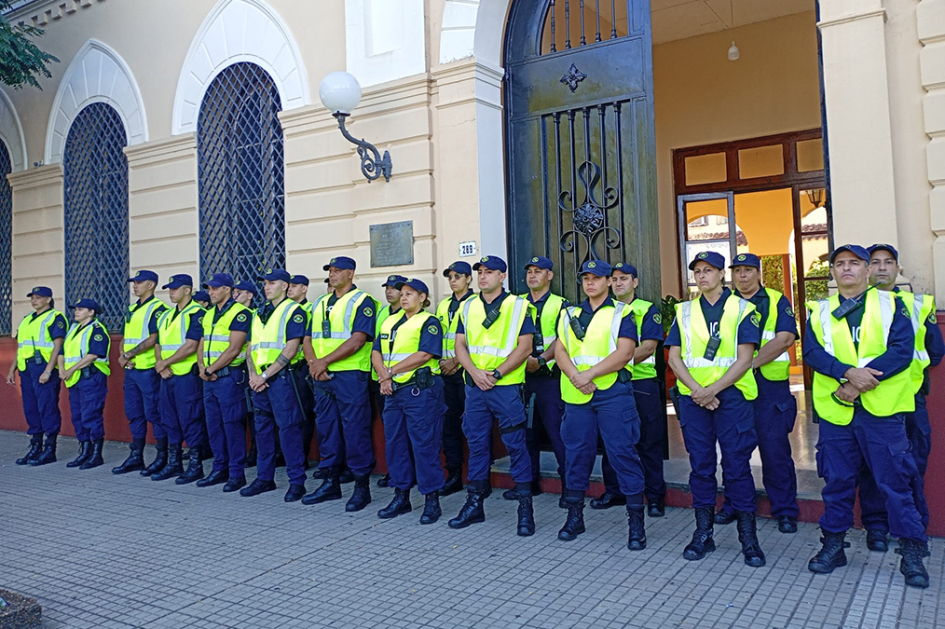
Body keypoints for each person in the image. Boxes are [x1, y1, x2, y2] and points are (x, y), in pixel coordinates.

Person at [805, 244, 929, 588]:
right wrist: (847, 372)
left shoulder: (895, 305)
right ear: (832, 272)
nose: (846, 269)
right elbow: (813, 353)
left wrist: (857, 382)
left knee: (896, 483)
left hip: (883, 412)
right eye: (840, 264)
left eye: (854, 263)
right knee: (838, 481)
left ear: (867, 270)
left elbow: (902, 352)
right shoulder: (820, 310)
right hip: (837, 414)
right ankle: (833, 545)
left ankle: (912, 553)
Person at [666, 251, 765, 567]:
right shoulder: (683, 312)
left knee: (737, 466)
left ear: (722, 274)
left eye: (709, 270)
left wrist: (712, 390)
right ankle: (703, 534)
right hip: (695, 401)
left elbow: (744, 359)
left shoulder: (743, 310)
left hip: (731, 398)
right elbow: (674, 358)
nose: (702, 276)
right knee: (701, 466)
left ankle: (749, 540)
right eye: (697, 271)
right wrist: (698, 391)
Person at [856, 244, 944, 551]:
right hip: (870, 399)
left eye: (888, 262)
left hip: (911, 400)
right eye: (875, 262)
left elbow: (935, 352)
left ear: (898, 268)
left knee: (912, 464)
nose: (881, 268)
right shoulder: (854, 308)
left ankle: (911, 530)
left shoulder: (917, 305)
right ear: (867, 270)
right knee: (870, 466)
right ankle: (876, 526)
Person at [555, 260, 648, 549]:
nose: (590, 283)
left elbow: (625, 353)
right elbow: (560, 348)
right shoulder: (570, 313)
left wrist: (589, 375)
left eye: (597, 278)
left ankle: (636, 525)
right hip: (577, 395)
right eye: (586, 278)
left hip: (612, 394)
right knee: (576, 456)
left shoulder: (623, 312)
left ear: (609, 282)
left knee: (623, 454)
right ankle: (574, 517)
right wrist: (576, 377)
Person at [448, 255, 536, 536]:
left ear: (503, 276)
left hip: (506, 387)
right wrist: (474, 372)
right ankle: (475, 504)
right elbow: (459, 345)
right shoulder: (468, 305)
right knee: (476, 445)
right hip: (475, 388)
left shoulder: (519, 306)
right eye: (481, 272)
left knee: (516, 446)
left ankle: (525, 509)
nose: (483, 276)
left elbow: (525, 348)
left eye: (490, 272)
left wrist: (495, 374)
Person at [713, 253, 799, 533]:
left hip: (769, 389)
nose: (743, 276)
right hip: (734, 389)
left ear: (759, 273)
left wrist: (746, 365)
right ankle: (735, 505)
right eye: (737, 271)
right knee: (733, 451)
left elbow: (784, 339)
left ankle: (784, 510)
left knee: (775, 451)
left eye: (748, 270)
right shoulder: (724, 305)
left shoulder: (776, 300)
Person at [591, 262, 668, 516]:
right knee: (614, 441)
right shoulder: (602, 311)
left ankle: (655, 496)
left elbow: (648, 347)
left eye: (624, 278)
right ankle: (615, 491)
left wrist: (617, 360)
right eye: (614, 279)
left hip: (640, 384)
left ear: (635, 282)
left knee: (648, 441)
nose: (618, 283)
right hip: (610, 383)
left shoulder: (646, 310)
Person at [301, 257, 377, 511]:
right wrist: (314, 364)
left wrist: (323, 362)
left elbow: (357, 340)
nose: (332, 275)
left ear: (351, 273)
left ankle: (361, 487)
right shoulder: (321, 302)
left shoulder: (362, 302)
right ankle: (331, 482)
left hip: (350, 376)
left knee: (355, 431)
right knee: (327, 430)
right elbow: (308, 338)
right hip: (322, 377)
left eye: (337, 271)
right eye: (330, 271)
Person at [372, 278, 447, 523]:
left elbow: (425, 354)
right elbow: (376, 351)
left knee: (424, 446)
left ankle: (431, 500)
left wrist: (389, 372)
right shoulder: (389, 321)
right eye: (402, 293)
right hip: (392, 391)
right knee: (395, 445)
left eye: (410, 294)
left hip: (420, 392)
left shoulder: (429, 321)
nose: (403, 297)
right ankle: (401, 495)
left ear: (423, 297)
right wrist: (384, 375)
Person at [502, 256, 567, 502]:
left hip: (549, 377)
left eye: (538, 271)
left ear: (549, 275)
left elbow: (564, 338)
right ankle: (527, 484)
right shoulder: (515, 304)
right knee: (524, 432)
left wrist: (541, 360)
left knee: (557, 432)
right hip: (521, 377)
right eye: (529, 271)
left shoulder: (561, 304)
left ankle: (569, 487)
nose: (532, 276)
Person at [242, 269, 309, 501]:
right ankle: (264, 478)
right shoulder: (258, 313)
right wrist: (253, 375)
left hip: (281, 379)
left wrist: (264, 376)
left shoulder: (294, 311)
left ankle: (297, 482)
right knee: (262, 432)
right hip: (259, 380)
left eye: (272, 283)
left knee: (289, 430)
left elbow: (291, 349)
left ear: (285, 286)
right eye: (265, 283)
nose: (267, 287)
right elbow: (250, 348)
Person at [198, 273, 252, 492]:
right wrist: (202, 367)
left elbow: (234, 348)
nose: (211, 292)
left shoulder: (241, 313)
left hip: (229, 377)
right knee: (214, 426)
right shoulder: (210, 313)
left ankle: (236, 473)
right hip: (209, 378)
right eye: (209, 288)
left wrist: (211, 369)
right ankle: (219, 468)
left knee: (232, 426)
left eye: (215, 288)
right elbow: (202, 343)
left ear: (228, 290)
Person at [152, 275, 207, 483]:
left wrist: (165, 363)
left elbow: (191, 346)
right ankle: (175, 463)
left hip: (186, 375)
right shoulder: (166, 315)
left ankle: (195, 465)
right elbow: (159, 343)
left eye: (175, 289)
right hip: (167, 375)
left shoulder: (197, 313)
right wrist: (160, 363)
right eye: (170, 289)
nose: (171, 292)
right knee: (169, 419)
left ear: (188, 290)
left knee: (190, 418)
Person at [8, 286, 67, 466]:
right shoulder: (27, 320)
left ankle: (50, 449)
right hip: (27, 368)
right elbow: (21, 348)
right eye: (32, 297)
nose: (34, 300)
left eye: (39, 297)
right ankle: (35, 446)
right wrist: (12, 369)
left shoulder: (55, 318)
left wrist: (49, 370)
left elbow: (58, 347)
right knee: (31, 407)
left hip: (44, 366)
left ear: (48, 299)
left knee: (47, 406)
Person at [435, 261, 476, 496]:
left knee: (472, 427)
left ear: (468, 279)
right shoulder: (443, 305)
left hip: (467, 374)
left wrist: (457, 362)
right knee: (449, 427)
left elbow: (479, 340)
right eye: (450, 276)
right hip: (446, 375)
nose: (453, 280)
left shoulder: (476, 304)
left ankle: (478, 477)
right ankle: (453, 475)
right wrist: (444, 364)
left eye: (458, 276)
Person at [59, 299, 110, 469]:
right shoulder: (73, 329)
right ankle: (84, 451)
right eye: (76, 309)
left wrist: (70, 369)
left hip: (91, 378)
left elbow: (93, 355)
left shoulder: (97, 330)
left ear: (91, 312)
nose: (76, 312)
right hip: (75, 379)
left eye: (81, 309)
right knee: (78, 416)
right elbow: (62, 351)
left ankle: (96, 454)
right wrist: (61, 369)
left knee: (91, 415)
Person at [288, 274, 317, 467]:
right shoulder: (285, 310)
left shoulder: (309, 309)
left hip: (301, 368)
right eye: (289, 286)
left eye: (295, 286)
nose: (290, 289)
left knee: (304, 413)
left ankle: (303, 455)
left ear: (304, 288)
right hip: (283, 370)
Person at [233, 279, 259, 467]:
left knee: (254, 414)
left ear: (250, 295)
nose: (235, 295)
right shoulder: (234, 314)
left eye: (240, 292)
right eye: (234, 292)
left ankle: (255, 451)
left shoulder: (250, 314)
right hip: (243, 372)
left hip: (248, 369)